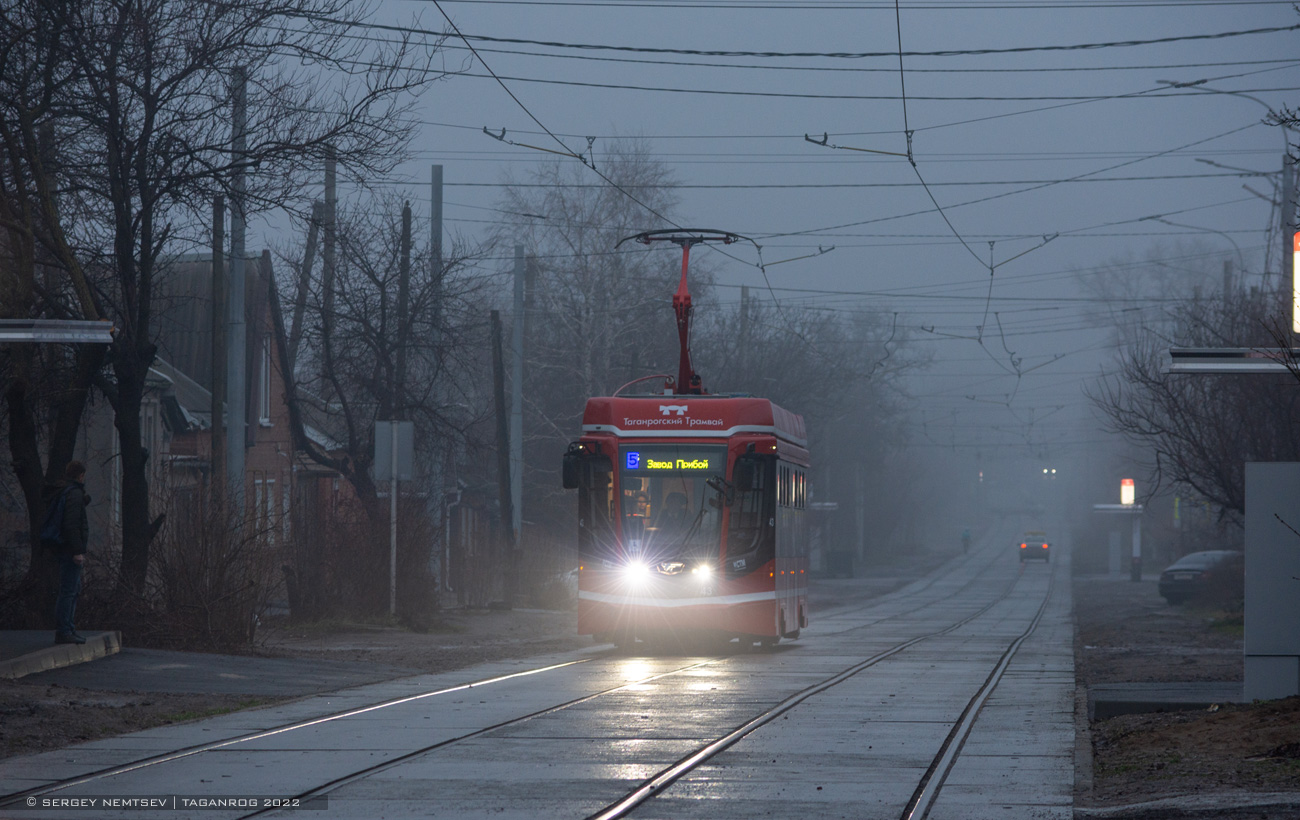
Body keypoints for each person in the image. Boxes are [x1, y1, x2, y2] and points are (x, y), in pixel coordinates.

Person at [44, 461, 90, 645]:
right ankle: (64, 630)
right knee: (69, 591)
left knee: (71, 589)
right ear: (80, 475)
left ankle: (68, 629)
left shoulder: (66, 492)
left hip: (64, 548)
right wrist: (77, 551)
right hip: (70, 550)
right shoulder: (74, 494)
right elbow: (71, 524)